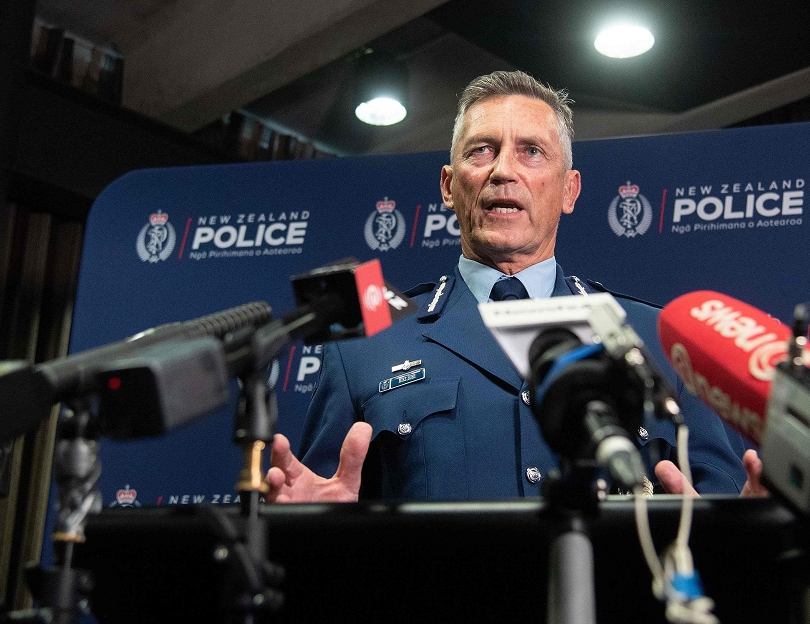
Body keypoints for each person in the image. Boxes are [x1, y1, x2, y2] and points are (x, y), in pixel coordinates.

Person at [267, 70, 765, 502]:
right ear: (448, 186)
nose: (504, 170)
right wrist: (316, 522)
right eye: (481, 151)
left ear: (569, 190)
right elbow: (324, 502)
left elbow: (714, 507)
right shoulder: (364, 344)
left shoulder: (655, 338)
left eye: (531, 152)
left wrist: (738, 521)